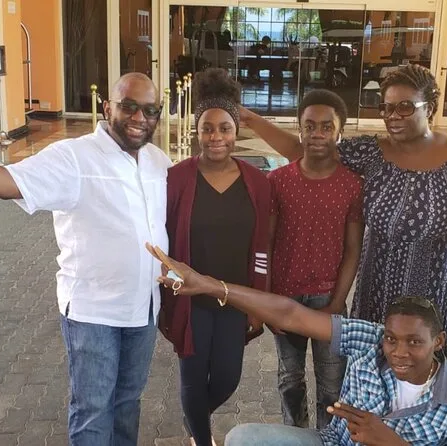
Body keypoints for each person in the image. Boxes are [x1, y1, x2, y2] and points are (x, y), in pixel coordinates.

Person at [238, 63, 447, 339]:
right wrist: (249, 118)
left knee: (421, 377)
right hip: (376, 289)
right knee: (373, 370)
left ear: (431, 108)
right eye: (386, 108)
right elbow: (305, 150)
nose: (393, 116)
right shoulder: (370, 152)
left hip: (431, 294)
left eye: (405, 107)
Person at [0, 72, 170, 445]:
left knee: (127, 404)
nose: (139, 118)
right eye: (128, 106)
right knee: (93, 410)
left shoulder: (157, 161)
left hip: (144, 308)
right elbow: (6, 182)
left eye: (149, 110)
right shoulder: (74, 157)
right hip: (94, 313)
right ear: (107, 107)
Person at [156, 259, 447, 446]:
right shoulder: (370, 341)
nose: (398, 352)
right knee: (243, 438)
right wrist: (211, 286)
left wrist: (392, 442)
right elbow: (291, 315)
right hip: (332, 443)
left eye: (414, 342)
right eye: (391, 339)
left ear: (438, 342)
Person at [158, 67, 271, 446]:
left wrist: (258, 300)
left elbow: (262, 246)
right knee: (193, 376)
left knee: (227, 377)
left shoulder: (257, 183)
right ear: (196, 131)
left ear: (237, 132)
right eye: (207, 128)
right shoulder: (177, 178)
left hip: (234, 297)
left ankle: (195, 418)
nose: (216, 137)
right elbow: (162, 232)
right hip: (190, 299)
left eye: (225, 128)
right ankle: (202, 438)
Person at [268, 89, 363, 429]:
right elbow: (266, 244)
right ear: (300, 130)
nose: (317, 134)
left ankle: (329, 437)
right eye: (310, 126)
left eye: (326, 127)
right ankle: (295, 434)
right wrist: (268, 301)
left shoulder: (353, 185)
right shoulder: (278, 181)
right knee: (290, 378)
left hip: (328, 298)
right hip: (285, 298)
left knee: (332, 383)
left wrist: (337, 303)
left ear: (340, 132)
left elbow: (353, 249)